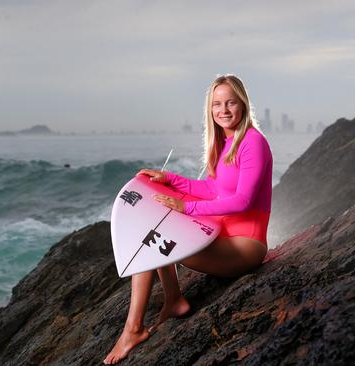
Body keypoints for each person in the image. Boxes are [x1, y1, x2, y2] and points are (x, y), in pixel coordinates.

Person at [103, 74, 273, 364]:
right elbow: (213, 190)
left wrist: (187, 209)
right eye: (217, 104)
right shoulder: (224, 143)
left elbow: (242, 201)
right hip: (222, 232)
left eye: (231, 102)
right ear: (210, 109)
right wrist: (169, 179)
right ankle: (173, 301)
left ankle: (134, 328)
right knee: (155, 213)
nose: (224, 110)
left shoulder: (252, 143)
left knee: (152, 233)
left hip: (245, 246)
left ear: (243, 104)